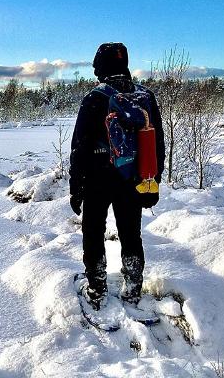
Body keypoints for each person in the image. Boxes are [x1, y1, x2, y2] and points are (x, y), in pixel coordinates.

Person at [69, 42, 165, 310]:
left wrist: (75, 187)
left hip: (97, 179)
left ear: (101, 67)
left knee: (93, 232)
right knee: (131, 234)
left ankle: (97, 288)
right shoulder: (145, 96)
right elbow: (157, 144)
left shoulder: (94, 98)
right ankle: (133, 288)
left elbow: (79, 148)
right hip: (133, 177)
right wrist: (152, 180)